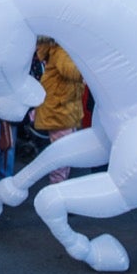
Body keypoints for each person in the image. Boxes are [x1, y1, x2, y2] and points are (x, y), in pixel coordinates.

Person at [33, 37, 84, 184]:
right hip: (59, 111)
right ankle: (56, 195)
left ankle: (59, 192)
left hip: (64, 110)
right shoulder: (62, 50)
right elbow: (71, 71)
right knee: (62, 157)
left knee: (65, 155)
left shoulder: (61, 48)